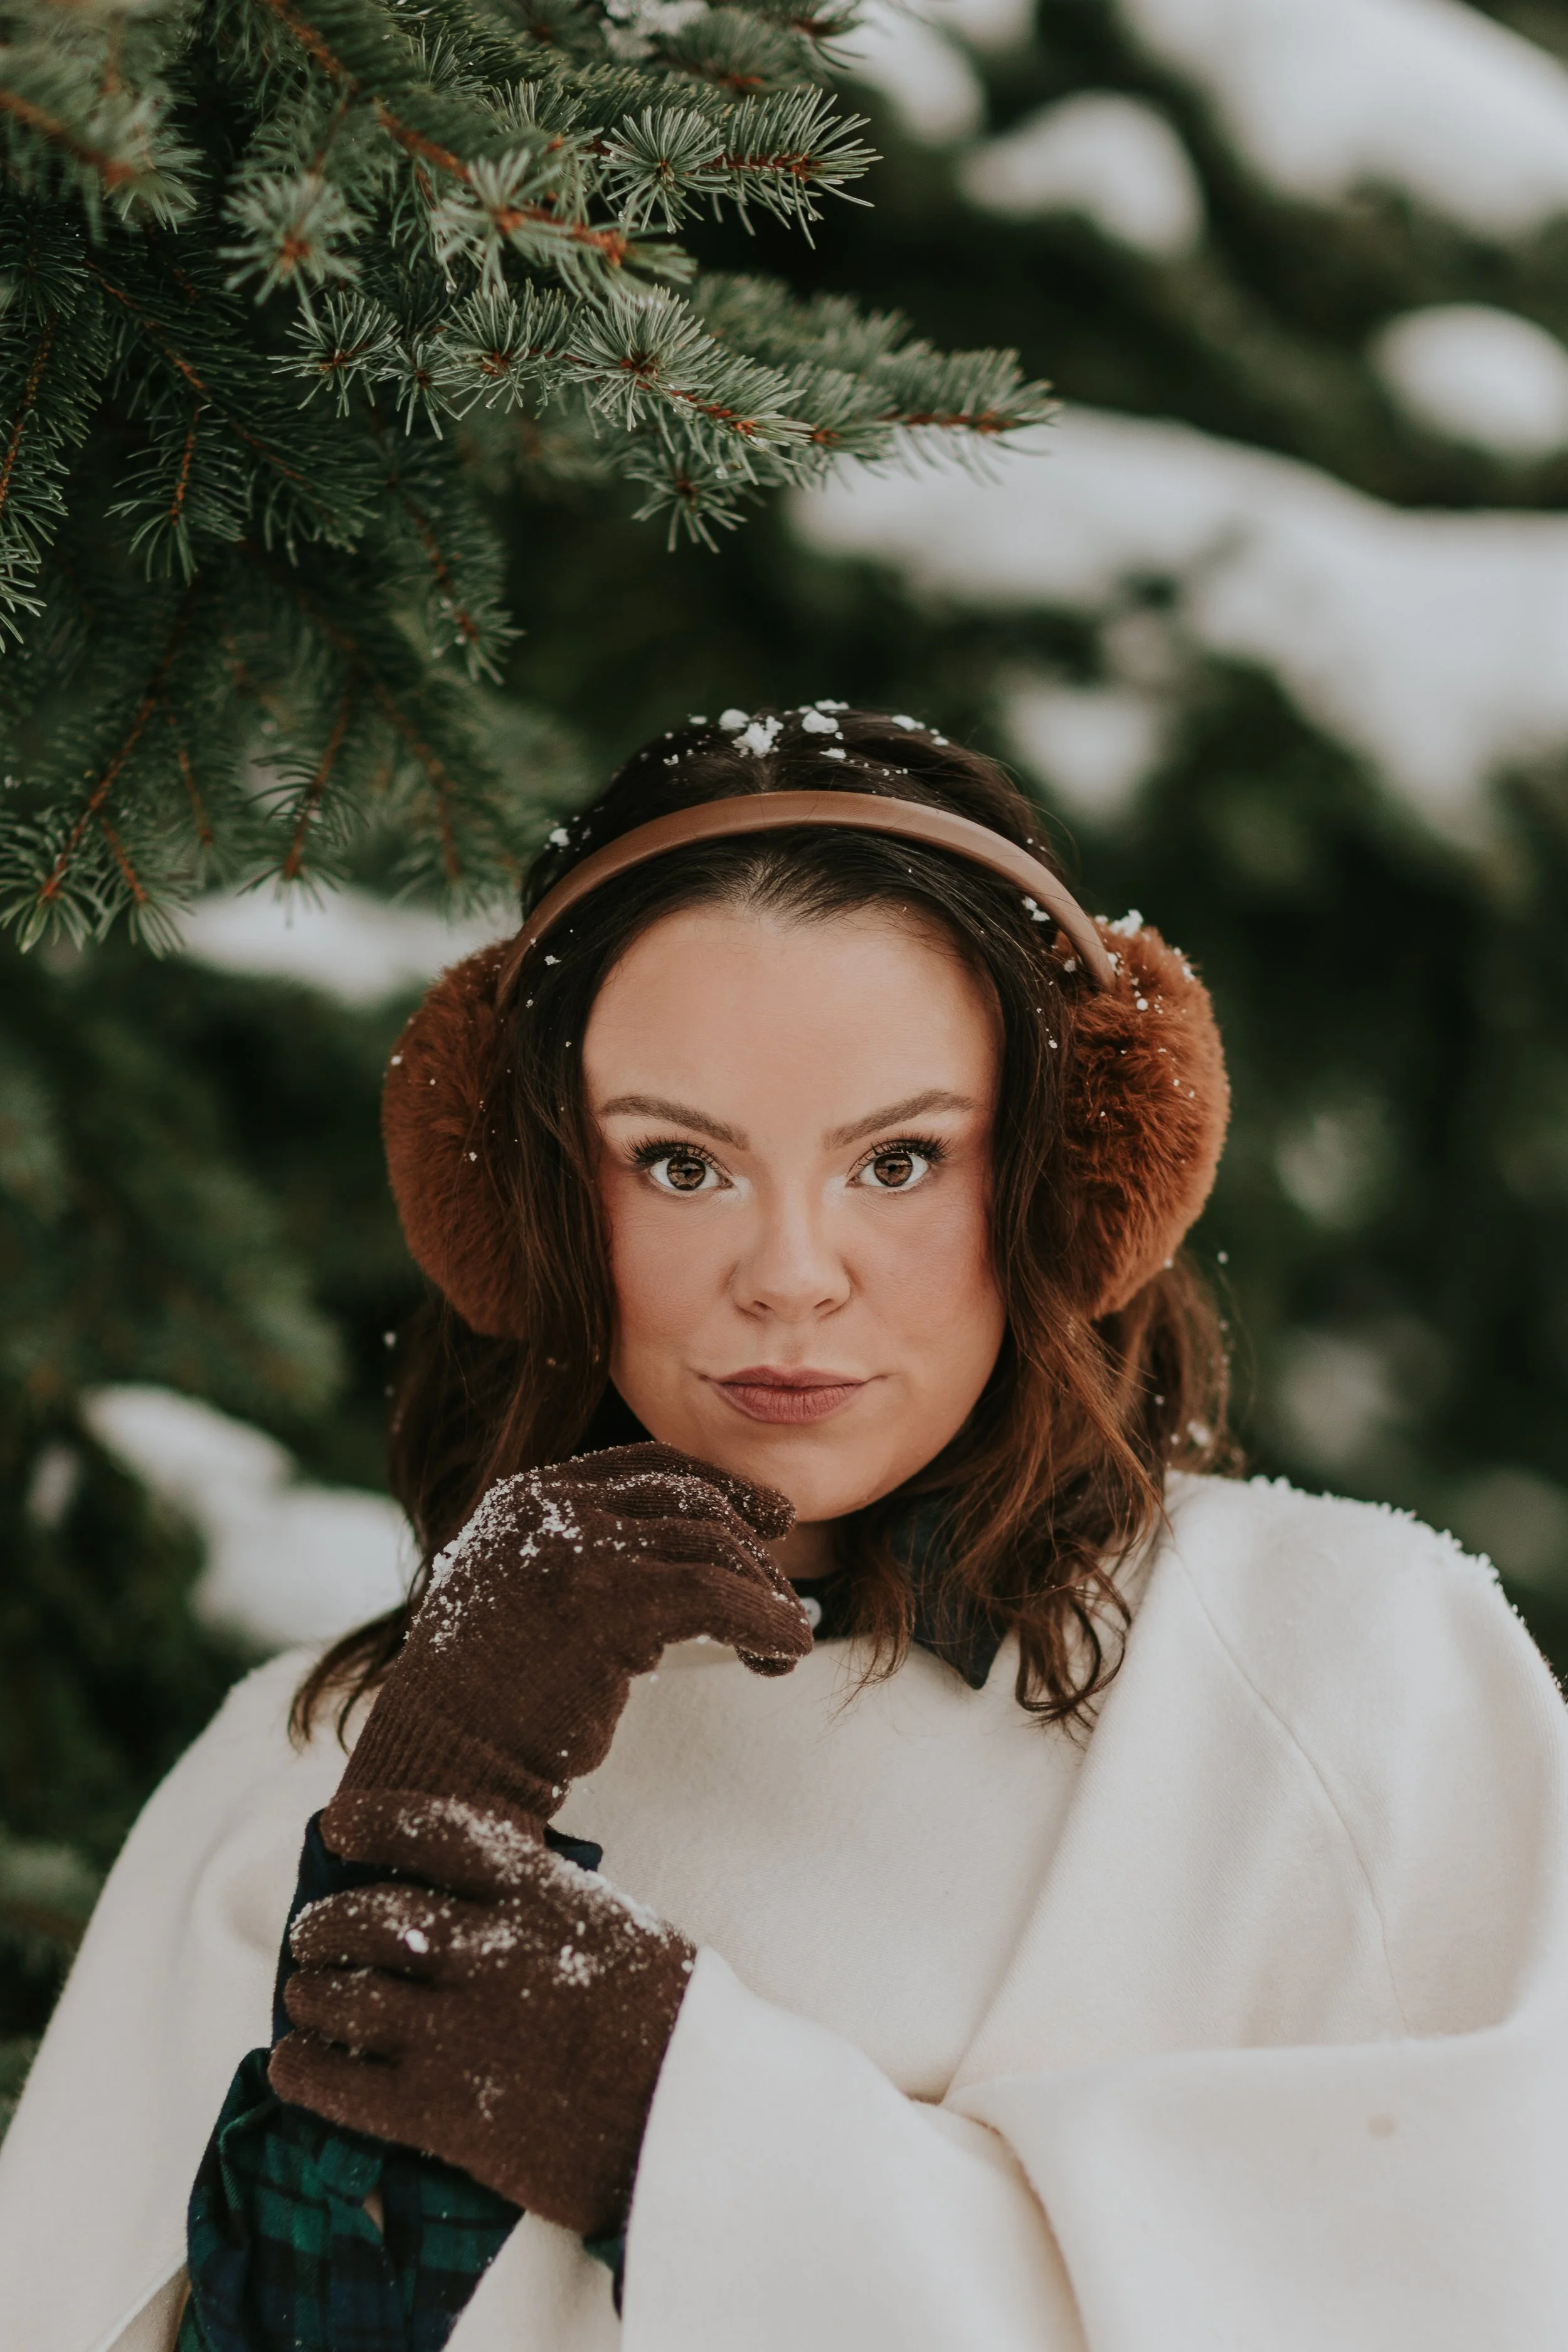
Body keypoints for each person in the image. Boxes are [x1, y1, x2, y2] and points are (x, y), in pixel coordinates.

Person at [3, 709, 1565, 2352]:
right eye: (680, 1164)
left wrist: (677, 2127)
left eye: (901, 1158)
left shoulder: (1353, 1676)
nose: (791, 1274)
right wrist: (419, 1815)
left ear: (1071, 1174)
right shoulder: (313, 1755)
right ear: (529, 1197)